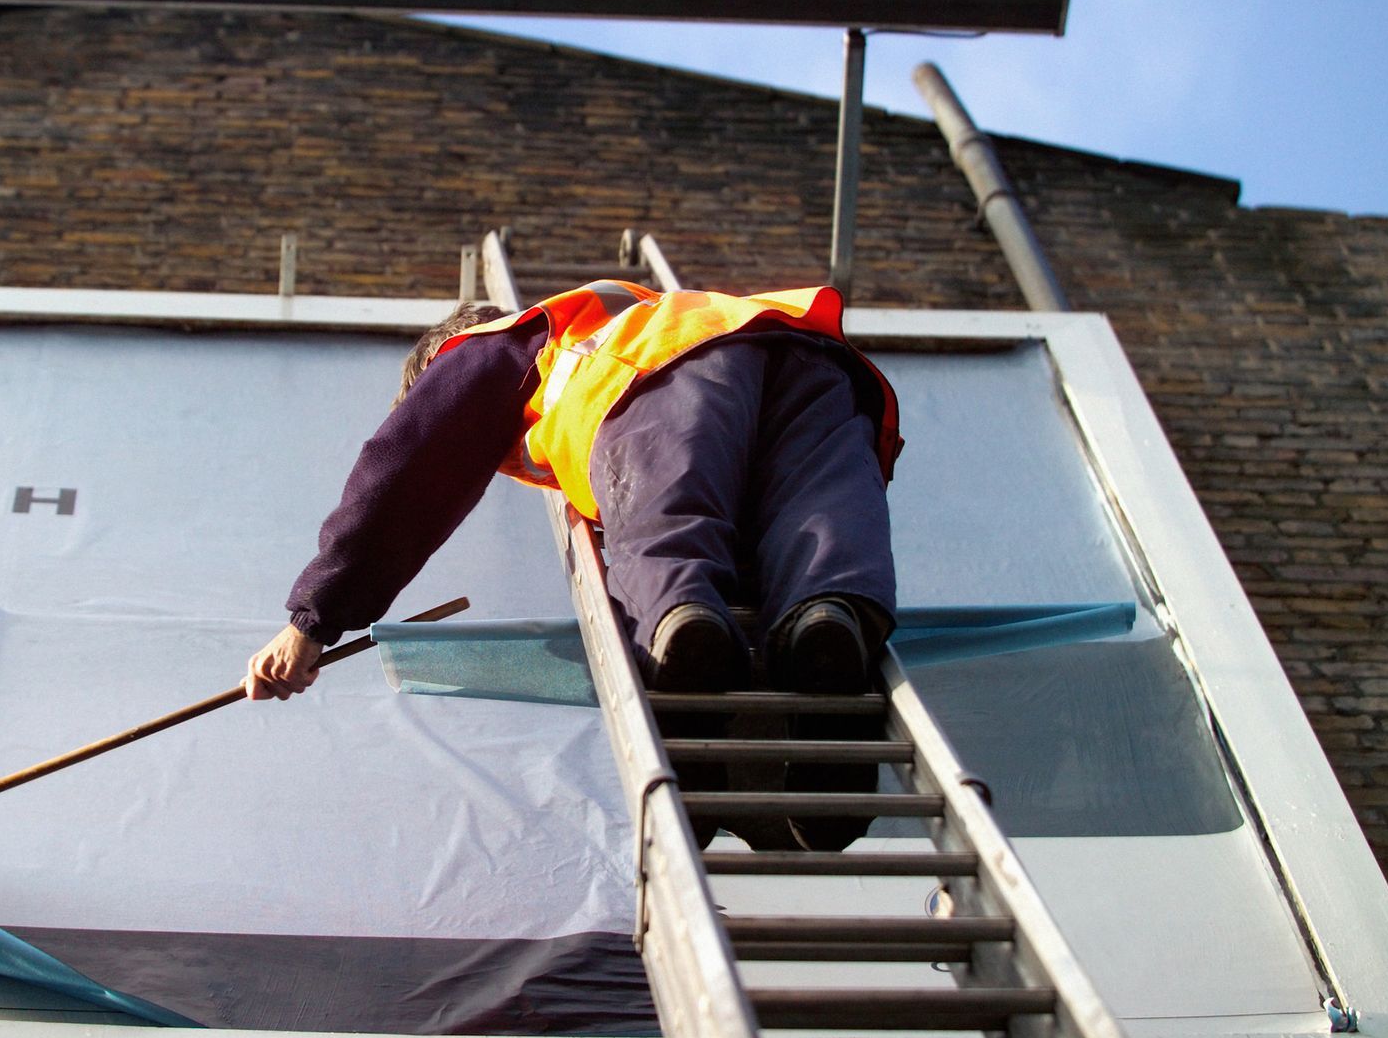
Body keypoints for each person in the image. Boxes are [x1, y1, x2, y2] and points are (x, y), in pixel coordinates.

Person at [245, 279, 903, 851]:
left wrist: (315, 617)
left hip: (664, 375)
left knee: (665, 540)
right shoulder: (652, 310)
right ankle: (828, 624)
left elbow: (409, 475)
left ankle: (682, 631)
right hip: (816, 364)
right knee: (819, 537)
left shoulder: (501, 344)